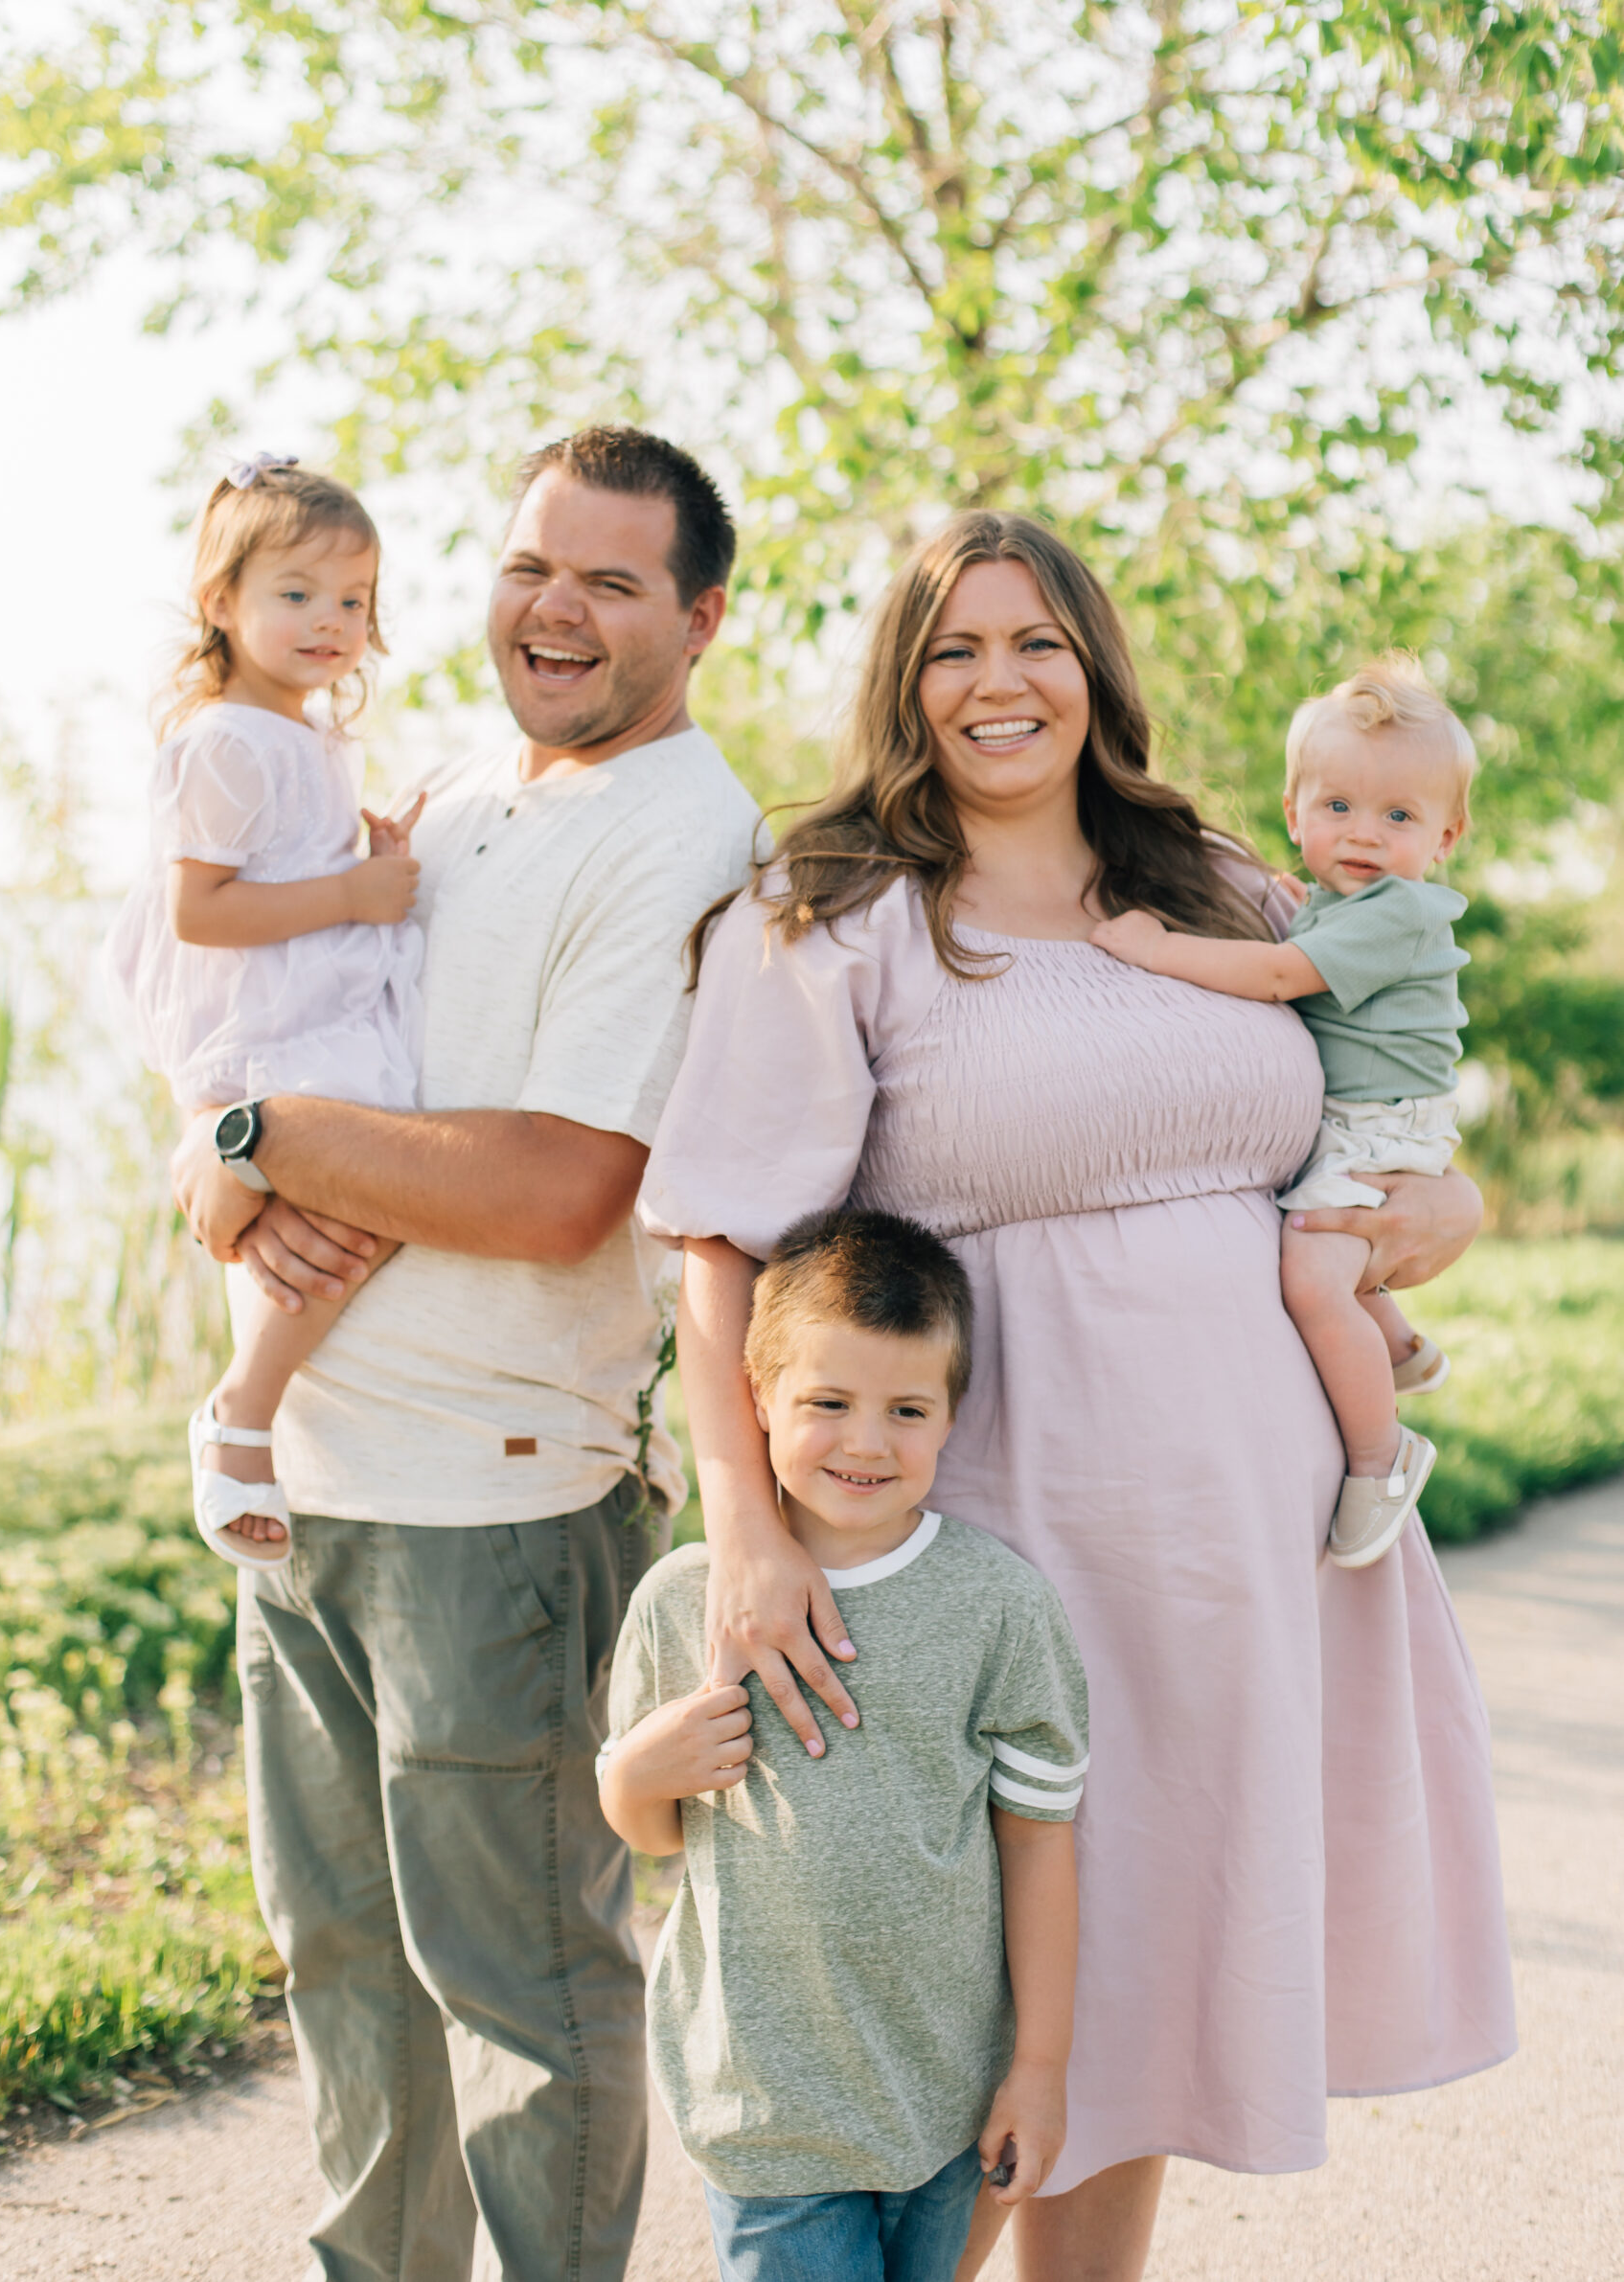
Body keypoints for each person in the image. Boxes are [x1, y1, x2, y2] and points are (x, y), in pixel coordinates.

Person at [638, 510, 1515, 2282]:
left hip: (1239, 1538)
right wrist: (746, 1530)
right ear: (907, 680)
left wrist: (1450, 1206)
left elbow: (1392, 1111)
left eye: (1035, 641)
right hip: (1004, 1524)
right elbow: (717, 1246)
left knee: (1144, 1978)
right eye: (955, 648)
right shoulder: (834, 913)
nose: (998, 681)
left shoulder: (1214, 877)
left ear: (1093, 667)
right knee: (978, 1980)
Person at [172, 426, 761, 2282]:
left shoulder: (684, 838)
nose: (554, 610)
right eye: (528, 567)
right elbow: (235, 1002)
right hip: (307, 1493)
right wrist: (223, 1153)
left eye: (607, 580)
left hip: (497, 1513)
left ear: (700, 616)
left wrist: (258, 1138)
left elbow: (558, 1186)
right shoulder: (442, 791)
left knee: (524, 2005)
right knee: (345, 1980)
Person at [599, 1206, 1088, 2282]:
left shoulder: (998, 1609)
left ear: (949, 1417)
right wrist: (640, 1772)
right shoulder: (686, 1603)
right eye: (827, 1402)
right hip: (768, 2105)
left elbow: (1039, 1842)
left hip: (945, 2095)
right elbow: (648, 1835)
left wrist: (1037, 2069)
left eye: (905, 1408)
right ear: (757, 1397)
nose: (866, 1441)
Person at [105, 452, 427, 1572]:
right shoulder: (226, 741)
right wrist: (349, 893)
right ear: (221, 601)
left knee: (366, 1204)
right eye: (296, 595)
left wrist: (366, 857)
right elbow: (200, 909)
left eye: (353, 600)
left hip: (309, 1007)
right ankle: (241, 1414)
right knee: (366, 1186)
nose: (330, 622)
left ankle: (260, 1410)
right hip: (273, 1026)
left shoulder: (300, 735)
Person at [1092, 653, 1475, 1570]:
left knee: (1311, 1273)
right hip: (1364, 1117)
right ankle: (1398, 1344)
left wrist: (1154, 947)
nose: (1365, 834)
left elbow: (1272, 979)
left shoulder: (1398, 911)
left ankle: (1382, 1460)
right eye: (1337, 807)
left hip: (1378, 1124)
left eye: (1398, 816)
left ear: (1445, 837)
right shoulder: (1335, 906)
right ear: (1293, 812)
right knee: (1322, 1249)